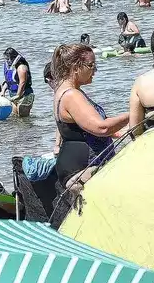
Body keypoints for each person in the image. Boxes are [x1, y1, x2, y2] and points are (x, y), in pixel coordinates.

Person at [52, 43, 129, 189]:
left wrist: (124, 131)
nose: (95, 70)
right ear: (75, 68)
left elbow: (85, 129)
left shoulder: (66, 90)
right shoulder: (71, 95)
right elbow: (102, 128)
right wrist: (133, 114)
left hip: (80, 166)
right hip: (83, 170)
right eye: (91, 65)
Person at [1, 47, 34, 117]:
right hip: (13, 94)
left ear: (15, 58)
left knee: (23, 118)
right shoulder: (8, 66)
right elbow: (8, 81)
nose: (9, 61)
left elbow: (22, 82)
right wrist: (3, 91)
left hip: (25, 95)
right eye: (7, 59)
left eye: (10, 59)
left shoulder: (21, 67)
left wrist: (18, 95)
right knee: (15, 117)